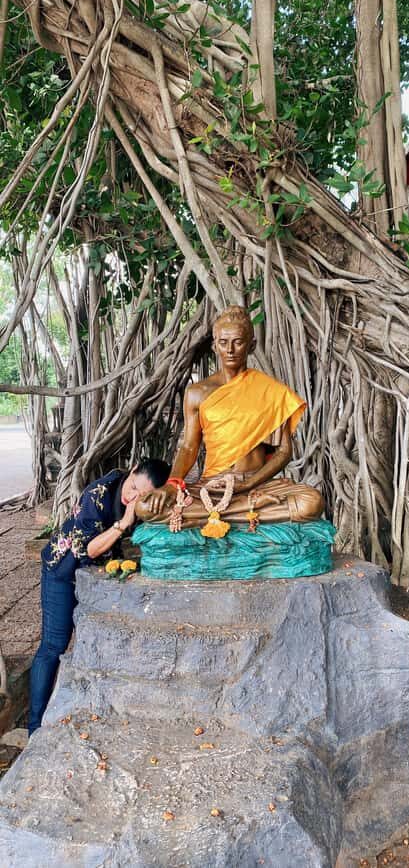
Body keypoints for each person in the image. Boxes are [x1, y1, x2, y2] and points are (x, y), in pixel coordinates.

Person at [136, 306, 323, 530]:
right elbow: (188, 447)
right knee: (145, 507)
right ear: (215, 346)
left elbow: (284, 452)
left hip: (256, 483)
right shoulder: (197, 393)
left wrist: (249, 485)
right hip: (212, 486)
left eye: (238, 342)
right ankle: (243, 512)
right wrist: (172, 484)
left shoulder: (270, 391)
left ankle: (212, 516)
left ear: (251, 345)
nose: (230, 350)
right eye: (223, 343)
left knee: (312, 502)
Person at [28, 458, 170, 735]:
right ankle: (34, 726)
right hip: (64, 570)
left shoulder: (147, 500)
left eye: (143, 496)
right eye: (133, 487)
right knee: (54, 645)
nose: (133, 497)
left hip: (96, 573)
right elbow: (87, 551)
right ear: (130, 473)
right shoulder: (98, 494)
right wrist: (123, 523)